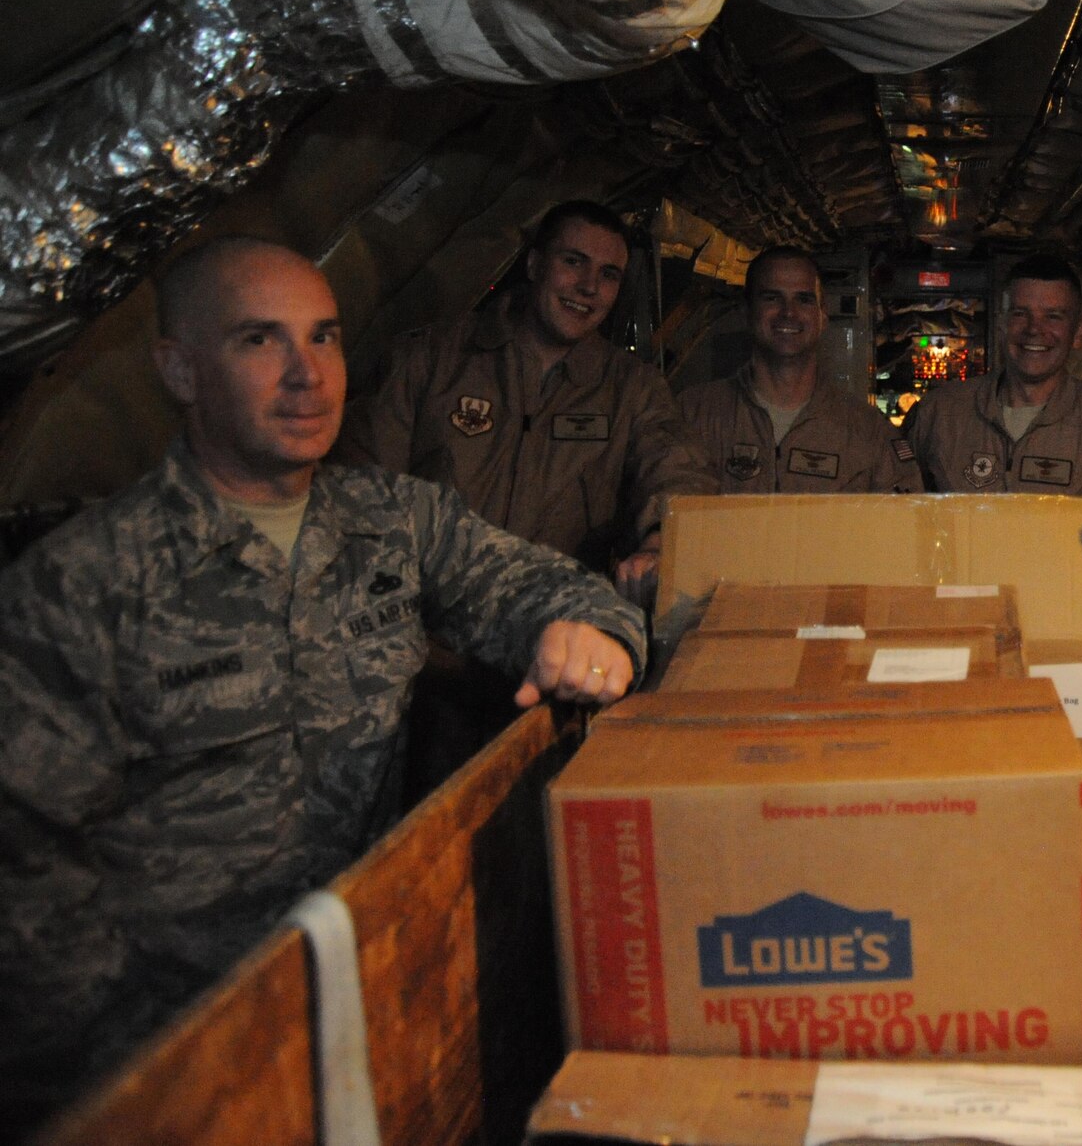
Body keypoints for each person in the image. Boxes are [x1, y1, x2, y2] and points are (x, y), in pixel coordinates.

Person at [0, 237, 646, 1125]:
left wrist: (586, 632)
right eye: (259, 340)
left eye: (326, 337)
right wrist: (144, 1070)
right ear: (180, 371)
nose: (307, 375)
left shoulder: (393, 520)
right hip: (175, 1057)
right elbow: (23, 876)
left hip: (364, 989)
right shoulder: (84, 583)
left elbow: (549, 588)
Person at [337, 200, 713, 604]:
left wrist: (660, 541)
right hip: (426, 619)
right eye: (573, 262)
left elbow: (676, 472)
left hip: (555, 624)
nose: (589, 287)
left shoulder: (631, 390)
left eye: (608, 274)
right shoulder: (433, 359)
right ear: (534, 265)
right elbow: (362, 485)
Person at [903, 255, 1082, 494]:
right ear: (1002, 324)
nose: (1034, 329)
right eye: (1020, 314)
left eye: (1053, 317)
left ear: (1078, 333)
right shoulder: (938, 413)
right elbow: (893, 505)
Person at [678, 247, 920, 493]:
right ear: (747, 312)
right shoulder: (692, 415)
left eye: (803, 300)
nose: (788, 312)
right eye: (772, 298)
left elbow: (907, 513)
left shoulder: (870, 433)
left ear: (822, 317)